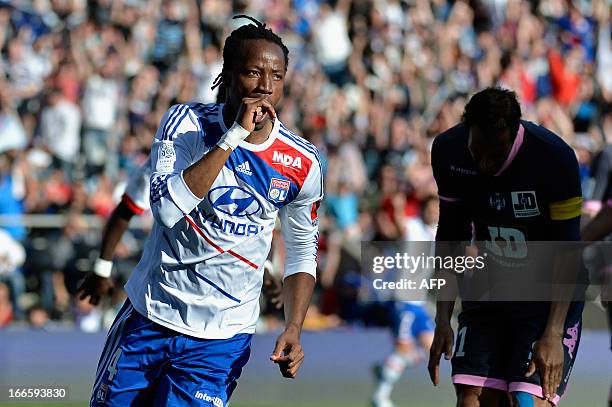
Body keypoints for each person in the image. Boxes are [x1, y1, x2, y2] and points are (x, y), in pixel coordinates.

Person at [89, 15, 323, 407]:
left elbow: (302, 253)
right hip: (152, 313)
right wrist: (234, 138)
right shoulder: (185, 124)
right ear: (228, 76)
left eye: (277, 76)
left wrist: (294, 326)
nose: (265, 87)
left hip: (222, 339)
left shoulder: (302, 162)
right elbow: (165, 210)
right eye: (252, 73)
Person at [427, 87, 584, 406]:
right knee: (471, 399)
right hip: (488, 289)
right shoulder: (448, 150)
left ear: (515, 133)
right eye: (477, 151)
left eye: (495, 153)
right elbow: (450, 236)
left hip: (545, 297)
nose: (484, 162)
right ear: (466, 131)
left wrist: (553, 333)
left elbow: (567, 252)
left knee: (525, 399)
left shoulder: (555, 158)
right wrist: (443, 318)